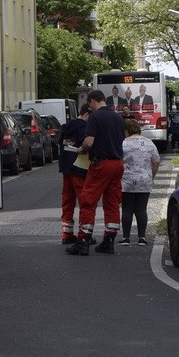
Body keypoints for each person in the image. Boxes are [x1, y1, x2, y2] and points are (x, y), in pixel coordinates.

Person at [66, 90, 125, 256]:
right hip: (117, 163)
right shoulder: (118, 118)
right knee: (112, 202)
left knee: (88, 200)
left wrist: (81, 149)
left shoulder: (95, 117)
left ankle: (83, 241)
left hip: (101, 164)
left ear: (92, 101)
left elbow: (89, 141)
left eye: (89, 104)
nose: (89, 108)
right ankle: (109, 240)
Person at [119, 118, 160, 247]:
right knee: (141, 209)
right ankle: (142, 237)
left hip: (127, 181)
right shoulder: (149, 143)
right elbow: (156, 161)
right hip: (145, 180)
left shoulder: (123, 144)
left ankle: (126, 237)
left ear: (126, 130)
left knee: (127, 209)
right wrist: (151, 176)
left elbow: (118, 161)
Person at [58, 104, 91, 244]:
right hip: (79, 167)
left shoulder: (66, 127)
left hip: (66, 168)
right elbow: (87, 145)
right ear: (86, 115)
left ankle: (66, 233)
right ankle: (83, 234)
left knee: (68, 200)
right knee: (84, 201)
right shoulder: (83, 128)